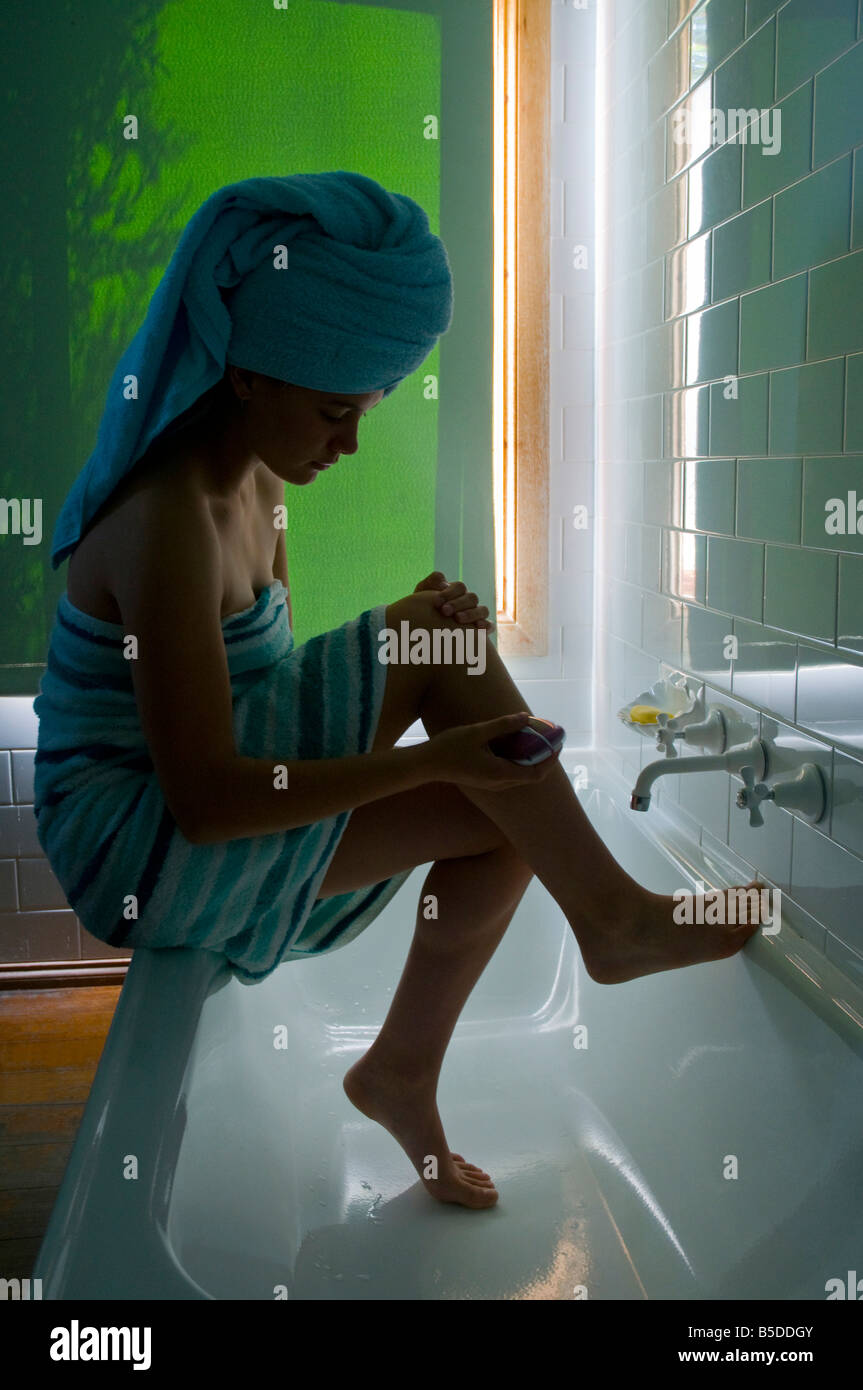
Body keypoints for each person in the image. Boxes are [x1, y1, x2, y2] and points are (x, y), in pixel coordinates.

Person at [34, 172, 763, 1210]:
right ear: (247, 375)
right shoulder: (166, 521)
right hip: (136, 843)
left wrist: (409, 665)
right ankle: (611, 917)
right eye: (334, 411)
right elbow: (206, 800)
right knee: (446, 675)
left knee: (505, 800)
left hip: (195, 808)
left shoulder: (258, 483)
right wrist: (427, 751)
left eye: (364, 411)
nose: (348, 443)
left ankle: (401, 1071)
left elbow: (272, 688)